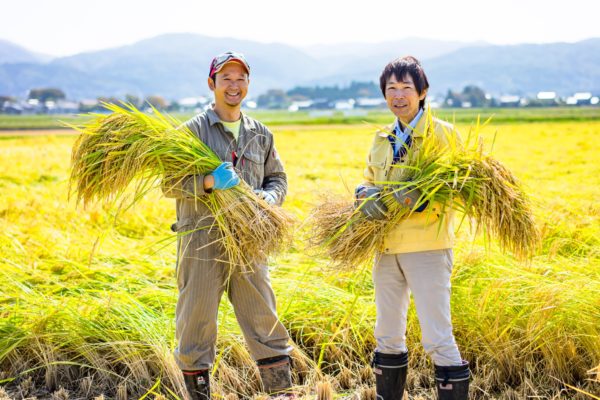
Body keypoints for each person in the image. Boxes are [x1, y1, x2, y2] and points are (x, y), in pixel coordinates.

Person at [162, 51, 294, 399]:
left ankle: (283, 393)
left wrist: (270, 198)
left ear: (248, 84)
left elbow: (278, 178)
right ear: (212, 84)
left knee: (263, 318)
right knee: (196, 323)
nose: (234, 86)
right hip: (202, 240)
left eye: (240, 79)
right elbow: (168, 183)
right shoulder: (191, 131)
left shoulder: (260, 133)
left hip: (250, 240)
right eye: (226, 79)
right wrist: (208, 182)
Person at [355, 56, 470, 400]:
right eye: (392, 88)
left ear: (422, 92)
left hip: (427, 249)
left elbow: (458, 188)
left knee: (437, 336)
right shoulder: (382, 138)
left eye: (406, 87)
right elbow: (369, 179)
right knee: (387, 333)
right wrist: (363, 194)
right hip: (387, 248)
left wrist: (420, 198)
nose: (399, 94)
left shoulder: (443, 135)